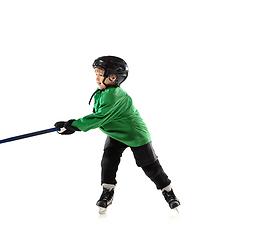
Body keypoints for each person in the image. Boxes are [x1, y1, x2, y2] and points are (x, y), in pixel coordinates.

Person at [55, 56, 180, 214]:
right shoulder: (103, 92)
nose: (96, 78)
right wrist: (71, 125)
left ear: (113, 77)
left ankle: (168, 191)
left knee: (150, 167)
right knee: (108, 161)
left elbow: (99, 118)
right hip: (116, 133)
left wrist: (73, 125)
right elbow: (98, 115)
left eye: (101, 74)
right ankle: (107, 192)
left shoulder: (115, 95)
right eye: (96, 73)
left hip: (136, 135)